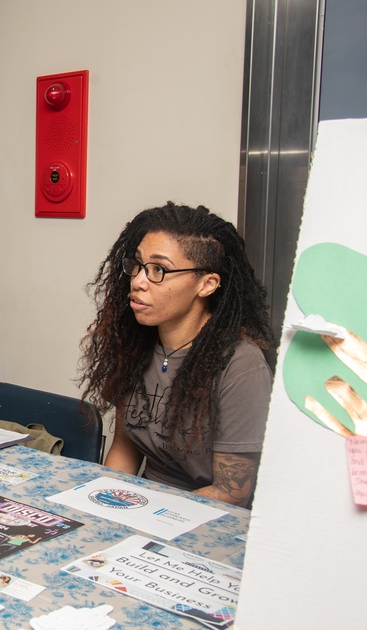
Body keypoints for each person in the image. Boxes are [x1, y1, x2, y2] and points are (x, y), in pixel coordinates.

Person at [78, 202, 274, 508]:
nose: (138, 281)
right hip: (141, 507)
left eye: (159, 270)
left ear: (207, 284)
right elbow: (125, 450)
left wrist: (147, 514)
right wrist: (100, 504)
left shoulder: (241, 365)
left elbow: (231, 492)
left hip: (206, 520)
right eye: (138, 265)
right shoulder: (136, 342)